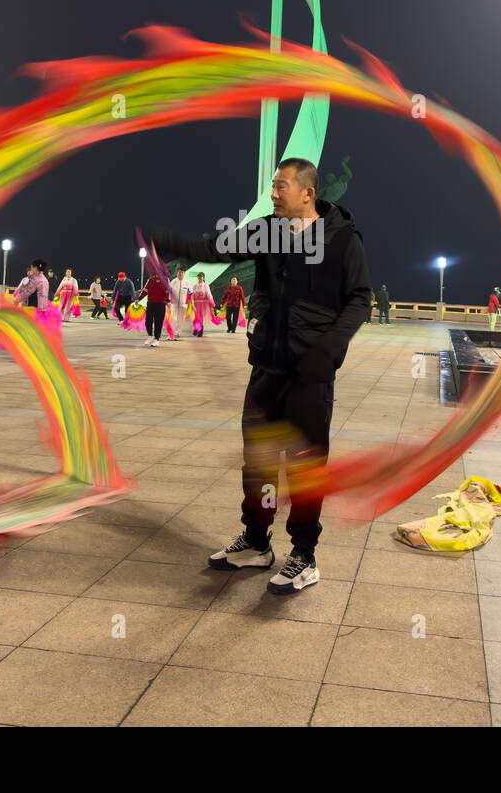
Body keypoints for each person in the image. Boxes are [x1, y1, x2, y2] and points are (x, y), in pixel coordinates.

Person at [147, 157, 372, 595]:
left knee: (305, 466)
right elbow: (213, 248)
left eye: (280, 186)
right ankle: (256, 541)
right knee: (260, 460)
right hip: (267, 366)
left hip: (311, 373)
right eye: (272, 186)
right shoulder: (266, 230)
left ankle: (304, 555)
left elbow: (360, 299)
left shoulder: (342, 240)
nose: (272, 194)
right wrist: (164, 238)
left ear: (307, 193)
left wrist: (327, 350)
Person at [141, 270, 170, 347]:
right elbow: (145, 290)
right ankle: (150, 336)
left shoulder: (166, 280)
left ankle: (157, 339)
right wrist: (139, 298)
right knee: (148, 321)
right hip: (150, 303)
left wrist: (168, 300)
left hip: (161, 304)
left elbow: (168, 291)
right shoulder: (150, 280)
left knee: (158, 322)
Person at [190, 272, 215, 337]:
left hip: (203, 304)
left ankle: (200, 331)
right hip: (196, 304)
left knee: (201, 318)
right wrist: (191, 302)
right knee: (196, 317)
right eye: (199, 277)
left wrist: (212, 302)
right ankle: (196, 329)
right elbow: (192, 294)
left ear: (203, 278)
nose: (200, 278)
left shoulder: (206, 285)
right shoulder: (194, 285)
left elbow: (209, 294)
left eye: (201, 277)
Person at [168, 268, 190, 339]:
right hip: (174, 304)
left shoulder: (187, 282)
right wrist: (168, 301)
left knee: (181, 319)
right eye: (179, 272)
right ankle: (171, 333)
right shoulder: (173, 281)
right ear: (177, 273)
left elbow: (191, 293)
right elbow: (169, 292)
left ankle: (177, 332)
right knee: (173, 319)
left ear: (184, 273)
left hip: (183, 305)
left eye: (182, 272)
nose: (180, 274)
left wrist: (188, 302)